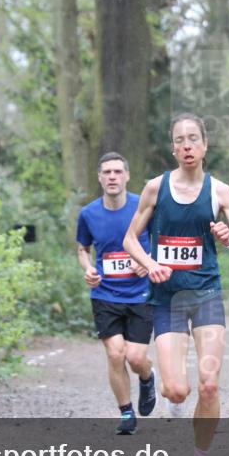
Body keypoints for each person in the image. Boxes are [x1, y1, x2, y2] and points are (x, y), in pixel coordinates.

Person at [123, 112, 229, 456]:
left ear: (205, 145)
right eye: (180, 140)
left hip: (206, 295)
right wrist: (150, 264)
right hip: (167, 300)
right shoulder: (156, 188)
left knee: (209, 385)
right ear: (173, 148)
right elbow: (130, 239)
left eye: (193, 138)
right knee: (177, 391)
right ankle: (166, 389)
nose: (187, 146)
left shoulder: (220, 192)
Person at [76, 152, 157, 435]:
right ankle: (126, 413)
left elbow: (162, 241)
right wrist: (88, 268)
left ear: (127, 176)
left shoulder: (143, 207)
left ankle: (147, 377)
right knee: (115, 354)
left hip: (141, 294)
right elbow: (83, 249)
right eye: (107, 172)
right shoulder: (88, 214)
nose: (112, 177)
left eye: (118, 172)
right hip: (105, 294)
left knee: (135, 358)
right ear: (99, 178)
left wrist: (147, 260)